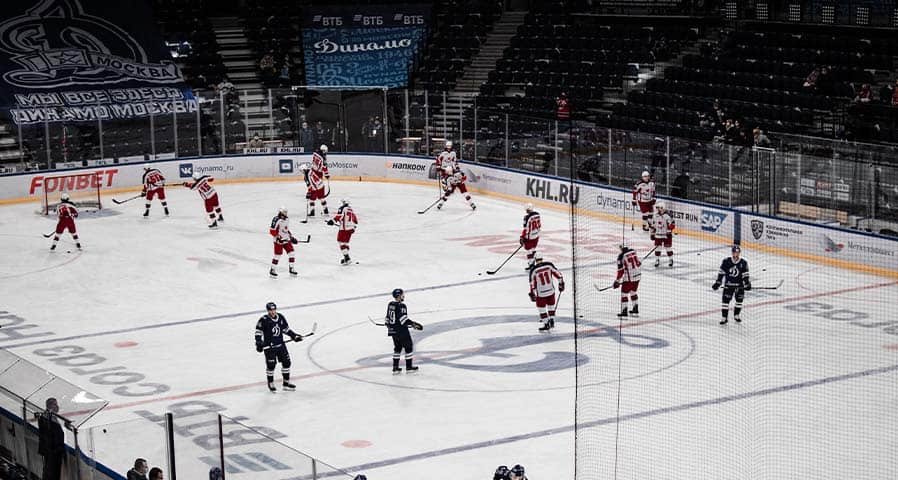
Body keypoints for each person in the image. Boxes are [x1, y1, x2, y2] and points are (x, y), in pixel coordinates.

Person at [254, 302, 303, 392]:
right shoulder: (264, 320)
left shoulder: (280, 317)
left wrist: (294, 336)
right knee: (271, 365)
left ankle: (286, 384)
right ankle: (271, 383)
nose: (272, 312)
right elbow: (258, 332)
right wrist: (259, 343)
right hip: (269, 348)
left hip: (281, 345)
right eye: (270, 310)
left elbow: (286, 329)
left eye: (274, 310)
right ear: (268, 310)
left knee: (287, 363)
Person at [385, 288, 422, 374]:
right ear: (398, 296)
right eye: (402, 295)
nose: (403, 296)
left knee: (397, 348)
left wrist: (389, 325)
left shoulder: (390, 304)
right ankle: (409, 367)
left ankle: (395, 368)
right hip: (401, 331)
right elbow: (403, 320)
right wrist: (413, 324)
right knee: (408, 347)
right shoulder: (402, 306)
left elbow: (387, 319)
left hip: (392, 331)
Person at [713, 245, 751, 325]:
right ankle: (724, 317)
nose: (736, 254)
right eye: (734, 252)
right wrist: (718, 282)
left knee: (739, 301)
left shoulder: (743, 262)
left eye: (737, 252)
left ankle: (736, 315)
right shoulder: (726, 261)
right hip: (728, 285)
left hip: (739, 286)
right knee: (725, 302)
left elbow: (745, 275)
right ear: (732, 253)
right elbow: (721, 273)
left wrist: (747, 283)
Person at [529, 255, 564, 332]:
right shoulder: (549, 265)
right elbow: (559, 275)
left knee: (541, 308)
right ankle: (552, 320)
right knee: (551, 306)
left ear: (535, 259)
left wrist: (532, 293)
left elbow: (532, 284)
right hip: (551, 291)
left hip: (541, 293)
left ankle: (546, 323)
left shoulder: (534, 270)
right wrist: (561, 284)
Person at [37, 397, 65, 480]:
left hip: (50, 450)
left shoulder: (47, 416)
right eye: (55, 404)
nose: (57, 406)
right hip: (53, 451)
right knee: (52, 472)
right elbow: (52, 434)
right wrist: (58, 448)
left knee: (49, 471)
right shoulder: (49, 418)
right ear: (50, 406)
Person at [613, 244, 642, 317]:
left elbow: (621, 271)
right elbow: (638, 263)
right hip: (638, 276)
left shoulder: (621, 256)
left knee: (624, 294)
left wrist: (617, 281)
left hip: (629, 278)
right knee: (633, 292)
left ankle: (624, 311)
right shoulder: (633, 251)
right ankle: (635, 308)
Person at [269, 206, 298, 277]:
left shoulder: (287, 219)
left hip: (286, 240)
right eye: (284, 212)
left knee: (291, 253)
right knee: (277, 255)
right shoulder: (276, 219)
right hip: (278, 241)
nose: (285, 213)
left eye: (286, 212)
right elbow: (272, 231)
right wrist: (278, 238)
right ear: (280, 212)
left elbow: (286, 230)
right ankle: (272, 269)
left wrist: (291, 237)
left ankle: (291, 268)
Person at [327, 199, 358, 265]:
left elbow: (339, 216)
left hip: (344, 229)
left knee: (340, 242)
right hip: (351, 228)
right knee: (345, 243)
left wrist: (332, 221)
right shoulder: (351, 210)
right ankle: (345, 258)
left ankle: (347, 258)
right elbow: (355, 220)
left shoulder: (342, 208)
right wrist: (353, 227)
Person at [303, 144, 330, 217]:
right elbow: (324, 168)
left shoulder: (315, 153)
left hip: (312, 172)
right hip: (318, 175)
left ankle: (312, 212)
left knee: (312, 196)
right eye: (325, 152)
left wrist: (309, 191)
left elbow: (313, 161)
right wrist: (327, 175)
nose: (326, 153)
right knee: (321, 195)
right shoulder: (323, 159)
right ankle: (326, 211)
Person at [650, 202, 675, 268]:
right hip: (658, 234)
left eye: (659, 208)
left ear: (662, 208)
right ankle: (657, 260)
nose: (658, 209)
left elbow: (672, 226)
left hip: (666, 235)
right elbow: (653, 225)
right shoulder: (655, 216)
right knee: (658, 248)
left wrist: (671, 225)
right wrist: (652, 234)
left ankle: (671, 259)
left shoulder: (667, 216)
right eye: (657, 208)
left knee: (668, 248)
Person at [520, 203, 541, 268]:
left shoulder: (526, 217)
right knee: (532, 249)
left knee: (529, 250)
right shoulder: (538, 214)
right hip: (536, 235)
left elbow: (526, 229)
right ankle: (532, 263)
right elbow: (539, 225)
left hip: (529, 237)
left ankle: (534, 261)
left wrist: (522, 237)